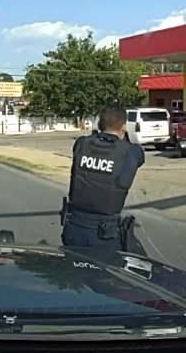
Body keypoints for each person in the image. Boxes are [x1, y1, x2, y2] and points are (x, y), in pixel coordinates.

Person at [61, 105, 146, 254]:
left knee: (72, 274)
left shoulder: (82, 143)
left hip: (74, 228)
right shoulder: (130, 151)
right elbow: (138, 154)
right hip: (105, 235)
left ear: (100, 124)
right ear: (124, 127)